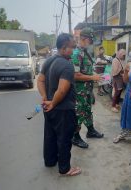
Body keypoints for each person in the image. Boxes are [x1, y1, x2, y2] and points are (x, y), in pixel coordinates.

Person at [37, 33, 81, 176]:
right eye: (72, 47)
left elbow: (40, 80)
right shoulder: (67, 65)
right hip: (62, 109)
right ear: (63, 48)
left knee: (50, 135)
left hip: (49, 107)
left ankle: (50, 161)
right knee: (64, 138)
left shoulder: (49, 61)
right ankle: (65, 168)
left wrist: (45, 98)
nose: (74, 50)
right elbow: (62, 90)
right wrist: (53, 102)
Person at [71, 28, 104, 149]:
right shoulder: (76, 54)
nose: (91, 43)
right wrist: (92, 77)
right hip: (79, 90)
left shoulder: (85, 52)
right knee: (79, 113)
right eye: (90, 41)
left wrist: (95, 76)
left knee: (87, 110)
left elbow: (88, 69)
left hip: (87, 89)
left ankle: (90, 130)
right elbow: (75, 75)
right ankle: (75, 136)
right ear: (84, 39)